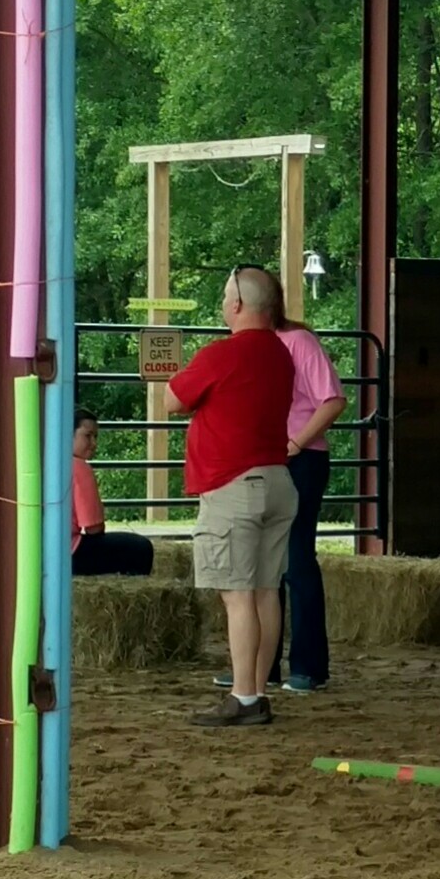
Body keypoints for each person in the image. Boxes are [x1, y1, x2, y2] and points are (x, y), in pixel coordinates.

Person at [165, 266, 298, 727]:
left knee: (237, 596)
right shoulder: (282, 355)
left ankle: (242, 697)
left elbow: (173, 400)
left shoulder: (221, 354)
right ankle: (258, 690)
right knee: (266, 591)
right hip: (277, 479)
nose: (223, 303)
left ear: (238, 304)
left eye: (225, 296)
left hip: (232, 485)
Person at [213, 273, 346, 694]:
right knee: (264, 565)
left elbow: (333, 399)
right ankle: (258, 668)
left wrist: (296, 442)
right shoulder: (256, 348)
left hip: (299, 457)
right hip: (268, 458)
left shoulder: (298, 343)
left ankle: (307, 665)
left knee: (295, 559)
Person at [71, 408, 154, 576]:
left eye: (96, 437)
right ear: (68, 435)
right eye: (88, 436)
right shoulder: (79, 467)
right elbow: (93, 528)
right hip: (72, 553)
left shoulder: (52, 462)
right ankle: (132, 597)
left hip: (52, 551)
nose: (94, 443)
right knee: (141, 548)